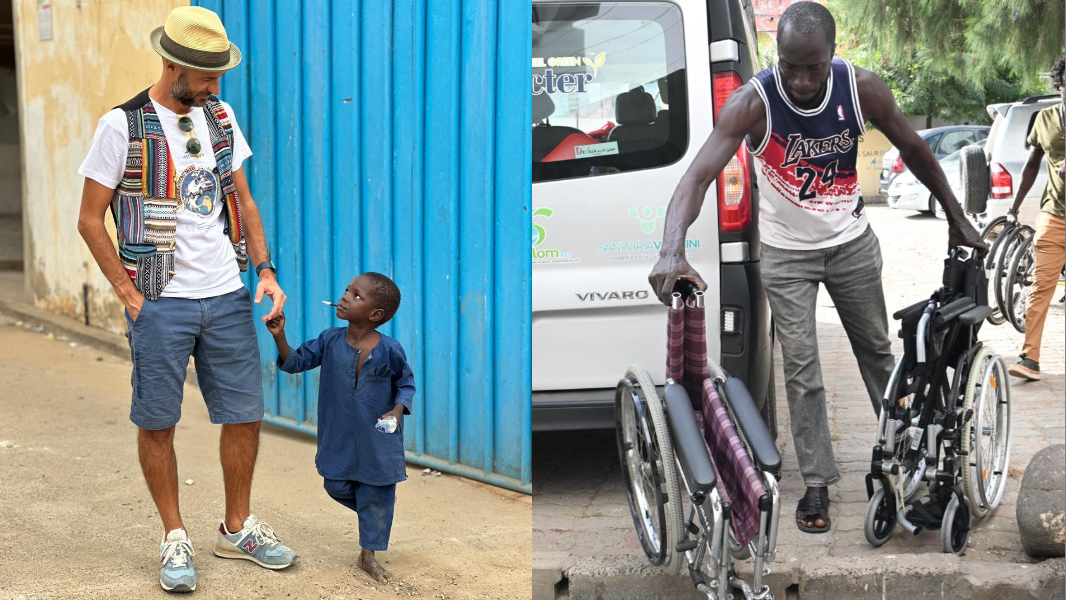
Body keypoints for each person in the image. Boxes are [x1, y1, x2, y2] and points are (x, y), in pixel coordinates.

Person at [647, 2, 987, 533]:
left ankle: (908, 460)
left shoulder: (862, 88)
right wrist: (671, 247)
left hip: (851, 244)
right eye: (790, 66)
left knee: (879, 353)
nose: (802, 81)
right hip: (785, 255)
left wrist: (956, 216)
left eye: (814, 67)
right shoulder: (751, 103)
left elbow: (916, 149)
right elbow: (696, 177)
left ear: (833, 54)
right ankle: (816, 482)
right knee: (802, 373)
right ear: (776, 56)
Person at [77, 6, 295, 593]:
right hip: (159, 300)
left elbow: (243, 202)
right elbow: (90, 219)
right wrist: (128, 293)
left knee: (245, 413)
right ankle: (175, 534)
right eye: (205, 76)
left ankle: (237, 525)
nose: (214, 87)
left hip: (225, 292)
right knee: (158, 421)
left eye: (218, 76)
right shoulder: (121, 126)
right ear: (172, 64)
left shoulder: (219, 116)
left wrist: (265, 271)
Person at [267, 272, 415, 582]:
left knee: (376, 491)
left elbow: (405, 383)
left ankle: (368, 554)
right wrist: (279, 336)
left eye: (357, 295)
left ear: (375, 315)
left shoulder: (389, 348)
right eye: (348, 290)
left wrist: (398, 410)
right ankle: (376, 510)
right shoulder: (329, 339)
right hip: (340, 434)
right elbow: (294, 362)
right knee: (334, 484)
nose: (346, 296)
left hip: (378, 438)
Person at [1006, 57, 1066, 382]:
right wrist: (1014, 207)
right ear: (1059, 86)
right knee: (1041, 288)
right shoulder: (1044, 119)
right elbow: (1031, 166)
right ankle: (1030, 358)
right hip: (1055, 216)